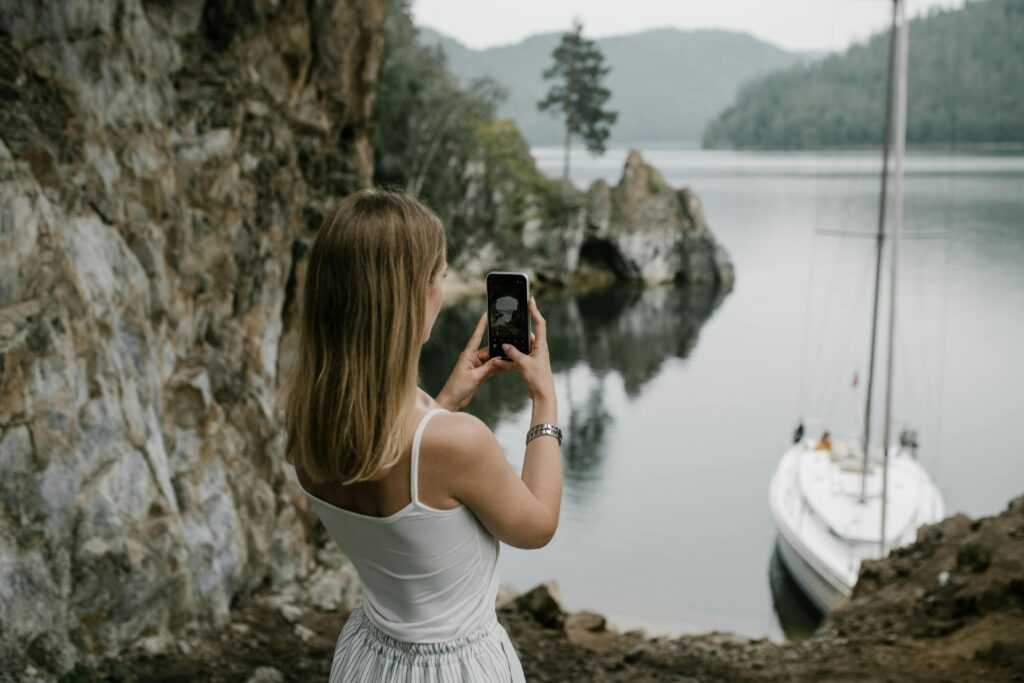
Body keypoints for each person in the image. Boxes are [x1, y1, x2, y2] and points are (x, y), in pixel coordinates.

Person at [283, 188, 561, 682]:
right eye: (441, 277)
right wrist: (545, 398)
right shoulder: (456, 444)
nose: (443, 289)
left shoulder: (308, 421)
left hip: (367, 659)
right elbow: (536, 526)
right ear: (412, 297)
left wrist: (444, 401)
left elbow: (394, 467)